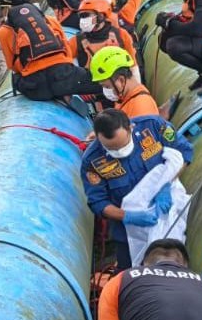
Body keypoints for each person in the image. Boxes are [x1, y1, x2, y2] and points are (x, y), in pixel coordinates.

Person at [80, 109, 193, 271]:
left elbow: (184, 152)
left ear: (131, 128)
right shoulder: (92, 161)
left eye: (122, 145)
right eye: (111, 148)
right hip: (127, 232)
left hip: (167, 212)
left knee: (174, 264)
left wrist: (167, 184)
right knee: (129, 272)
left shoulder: (154, 127)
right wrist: (128, 216)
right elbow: (98, 202)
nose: (119, 152)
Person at [0, 0, 101, 102]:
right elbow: (67, 51)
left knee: (15, 77)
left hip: (36, 88)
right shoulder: (50, 20)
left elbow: (12, 65)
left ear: (8, 8)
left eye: (2, 8)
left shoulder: (3, 31)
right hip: (64, 77)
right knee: (100, 82)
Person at [90, 46, 160, 118]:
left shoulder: (140, 110)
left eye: (107, 86)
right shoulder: (124, 97)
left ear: (121, 80)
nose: (105, 91)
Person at [71, 0, 136, 68]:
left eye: (86, 15)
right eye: (81, 16)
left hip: (120, 74)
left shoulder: (121, 35)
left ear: (101, 16)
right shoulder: (77, 40)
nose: (83, 20)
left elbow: (133, 64)